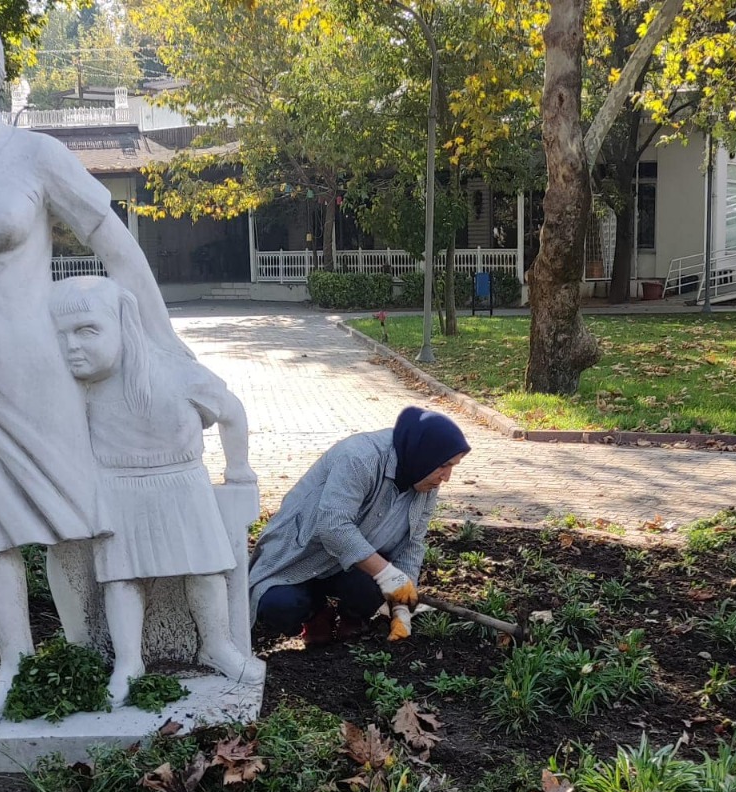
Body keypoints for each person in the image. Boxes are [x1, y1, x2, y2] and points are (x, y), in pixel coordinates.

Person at [0, 12, 188, 719]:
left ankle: (106, 653)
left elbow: (115, 244)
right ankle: (17, 665)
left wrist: (159, 342)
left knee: (79, 516)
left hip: (28, 370)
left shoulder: (35, 156)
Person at [50, 275, 263, 704]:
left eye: (87, 330)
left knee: (205, 569)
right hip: (115, 488)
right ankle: (129, 661)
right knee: (122, 577)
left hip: (183, 483)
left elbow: (232, 412)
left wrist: (238, 470)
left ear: (124, 325)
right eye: (61, 335)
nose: (71, 345)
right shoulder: (70, 389)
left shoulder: (176, 373)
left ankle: (217, 644)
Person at [249, 406, 469, 645]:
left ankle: (352, 617)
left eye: (452, 467)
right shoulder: (360, 458)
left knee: (371, 588)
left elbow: (412, 544)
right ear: (424, 455)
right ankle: (315, 614)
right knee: (278, 606)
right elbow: (333, 526)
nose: (447, 477)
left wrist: (402, 610)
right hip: (300, 556)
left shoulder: (425, 481)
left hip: (349, 567)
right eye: (444, 465)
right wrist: (388, 576)